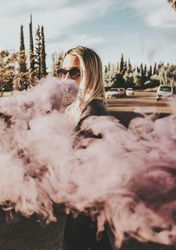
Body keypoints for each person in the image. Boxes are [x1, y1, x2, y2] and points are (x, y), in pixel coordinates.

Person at [57, 46, 114, 250]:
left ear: (91, 73)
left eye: (74, 72)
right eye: (62, 72)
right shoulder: (80, 106)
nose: (66, 78)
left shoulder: (93, 110)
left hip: (86, 202)